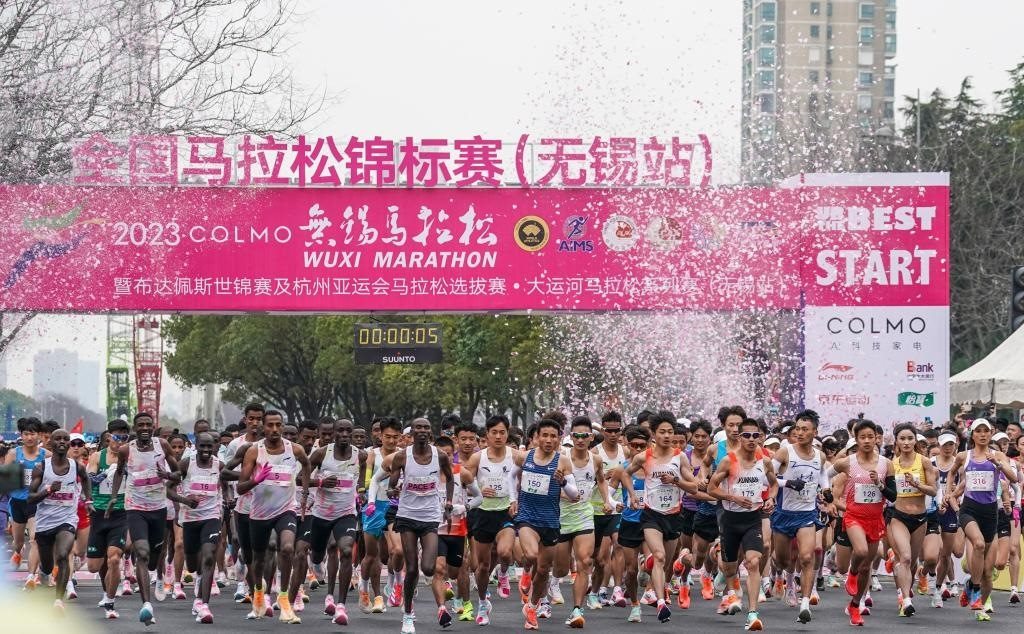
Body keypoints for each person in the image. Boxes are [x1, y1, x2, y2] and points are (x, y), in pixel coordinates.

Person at [623, 411, 699, 624]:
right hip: (651, 515)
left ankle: (647, 566)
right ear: (654, 434)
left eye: (670, 432)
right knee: (659, 556)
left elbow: (693, 487)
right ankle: (660, 603)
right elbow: (625, 474)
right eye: (662, 432)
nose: (667, 435)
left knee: (664, 563)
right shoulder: (644, 457)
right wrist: (632, 495)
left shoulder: (679, 457)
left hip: (673, 516)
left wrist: (675, 481)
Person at [237, 409, 311, 624]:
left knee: (287, 548)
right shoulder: (254, 451)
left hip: (286, 509)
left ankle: (284, 599)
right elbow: (240, 488)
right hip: (260, 513)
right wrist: (256, 480)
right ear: (263, 427)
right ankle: (259, 594)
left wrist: (304, 495)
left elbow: (307, 465)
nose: (275, 429)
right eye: (270, 425)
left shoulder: (294, 449)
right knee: (259, 559)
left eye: (279, 425)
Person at [107, 412, 181, 626]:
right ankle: (147, 605)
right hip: (135, 508)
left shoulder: (162, 445)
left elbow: (178, 474)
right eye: (141, 425)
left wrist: (167, 476)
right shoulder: (126, 450)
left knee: (155, 556)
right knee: (142, 553)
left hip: (158, 508)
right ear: (135, 428)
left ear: (153, 426)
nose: (145, 428)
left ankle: (156, 575)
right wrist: (114, 497)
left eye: (149, 424)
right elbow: (119, 472)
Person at [386, 417, 455, 634]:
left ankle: (419, 603)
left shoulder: (440, 456)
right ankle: (407, 615)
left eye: (426, 427)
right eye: (418, 427)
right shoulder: (402, 456)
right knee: (412, 568)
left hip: (430, 516)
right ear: (412, 432)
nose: (422, 430)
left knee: (428, 568)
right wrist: (392, 490)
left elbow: (450, 478)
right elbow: (391, 485)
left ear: (430, 431)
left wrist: (449, 502)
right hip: (407, 516)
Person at [708, 418, 778, 631]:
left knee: (753, 562)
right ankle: (729, 587)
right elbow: (712, 488)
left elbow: (774, 484)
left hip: (752, 520)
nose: (751, 439)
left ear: (760, 437)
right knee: (730, 568)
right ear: (739, 437)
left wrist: (771, 498)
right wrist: (733, 497)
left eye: (755, 435)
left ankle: (753, 613)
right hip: (730, 520)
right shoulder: (728, 461)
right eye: (746, 435)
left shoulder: (764, 461)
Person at [826, 420, 896, 626]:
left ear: (876, 439)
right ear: (856, 439)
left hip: (875, 519)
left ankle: (855, 605)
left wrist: (880, 484)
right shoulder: (847, 462)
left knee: (867, 568)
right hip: (853, 517)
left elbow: (893, 496)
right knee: (861, 552)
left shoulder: (886, 464)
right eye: (862, 437)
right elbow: (825, 475)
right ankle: (852, 573)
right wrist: (827, 495)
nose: (866, 441)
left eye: (870, 437)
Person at [512, 418, 580, 631]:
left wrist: (563, 482)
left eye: (553, 436)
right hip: (527, 517)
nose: (549, 440)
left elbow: (575, 495)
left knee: (543, 570)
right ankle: (526, 571)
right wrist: (513, 500)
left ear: (559, 439)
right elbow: (510, 477)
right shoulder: (525, 457)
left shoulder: (563, 462)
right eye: (545, 435)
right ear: (536, 437)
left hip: (550, 521)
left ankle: (532, 607)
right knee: (532, 555)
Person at [947, 418, 1018, 620]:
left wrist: (997, 464)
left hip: (990, 512)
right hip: (969, 509)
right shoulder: (964, 456)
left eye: (986, 431)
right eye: (978, 431)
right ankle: (975, 590)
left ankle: (975, 594)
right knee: (978, 544)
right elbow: (952, 473)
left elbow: (1014, 479)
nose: (982, 434)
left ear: (990, 433)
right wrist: (948, 493)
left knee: (988, 571)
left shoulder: (998, 455)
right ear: (973, 434)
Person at [304, 418, 367, 626]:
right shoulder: (321, 454)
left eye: (348, 431)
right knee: (317, 555)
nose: (345, 434)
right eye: (340, 430)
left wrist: (361, 492)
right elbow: (300, 479)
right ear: (334, 433)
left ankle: (340, 605)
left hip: (346, 513)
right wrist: (320, 482)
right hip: (321, 514)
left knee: (346, 550)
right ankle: (317, 568)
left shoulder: (361, 455)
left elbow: (360, 477)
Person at [770, 410, 830, 622]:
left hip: (807, 514)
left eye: (805, 429)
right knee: (783, 560)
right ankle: (783, 576)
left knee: (806, 557)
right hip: (784, 514)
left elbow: (822, 474)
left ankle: (805, 604)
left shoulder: (820, 456)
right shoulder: (785, 452)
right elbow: (766, 477)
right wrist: (788, 483)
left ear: (815, 432)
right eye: (798, 429)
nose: (800, 433)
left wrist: (826, 489)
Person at [459, 414, 519, 625]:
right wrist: (478, 489)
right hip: (483, 514)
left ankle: (503, 573)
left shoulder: (516, 456)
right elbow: (464, 482)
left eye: (502, 432)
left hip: (505, 512)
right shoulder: (478, 458)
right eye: (494, 432)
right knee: (482, 566)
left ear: (507, 433)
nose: (498, 436)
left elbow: (532, 471)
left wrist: (516, 499)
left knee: (504, 552)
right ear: (487, 434)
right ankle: (483, 602)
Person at [556, 416, 614, 627]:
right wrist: (563, 494)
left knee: (585, 561)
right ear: (571, 437)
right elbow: (550, 486)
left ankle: (577, 610)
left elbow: (601, 480)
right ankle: (545, 593)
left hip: (584, 516)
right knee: (560, 569)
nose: (580, 439)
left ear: (591, 437)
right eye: (576, 435)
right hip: (561, 517)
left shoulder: (596, 460)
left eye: (585, 436)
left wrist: (607, 500)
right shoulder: (562, 459)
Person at [28, 429, 92, 615]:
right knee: (48, 566)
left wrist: (88, 499)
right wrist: (48, 491)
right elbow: (30, 498)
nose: (62, 442)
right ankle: (44, 572)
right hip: (45, 522)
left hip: (67, 519)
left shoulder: (76, 466)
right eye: (58, 439)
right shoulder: (41, 467)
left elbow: (86, 479)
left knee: (63, 555)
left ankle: (58, 601)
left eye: (66, 439)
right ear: (51, 443)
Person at [166, 431, 225, 624]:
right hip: (190, 519)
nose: (206, 449)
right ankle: (199, 577)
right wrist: (184, 500)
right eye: (203, 446)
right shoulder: (186, 464)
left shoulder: (219, 465)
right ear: (195, 446)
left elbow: (228, 482)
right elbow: (168, 489)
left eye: (210, 446)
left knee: (208, 556)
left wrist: (229, 499)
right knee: (192, 564)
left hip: (211, 517)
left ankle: (203, 603)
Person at [886, 423, 938, 617]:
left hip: (920, 518)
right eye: (902, 439)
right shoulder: (892, 464)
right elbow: (888, 491)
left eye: (910, 438)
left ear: (915, 440)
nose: (906, 442)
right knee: (905, 557)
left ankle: (906, 590)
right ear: (897, 442)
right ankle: (906, 600)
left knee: (913, 561)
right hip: (899, 516)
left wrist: (917, 485)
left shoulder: (924, 462)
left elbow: (933, 491)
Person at [86, 419, 131, 619]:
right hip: (99, 514)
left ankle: (110, 603)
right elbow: (89, 478)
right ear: (109, 438)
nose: (119, 441)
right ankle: (107, 591)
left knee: (114, 558)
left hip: (121, 513)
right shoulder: (98, 456)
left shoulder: (130, 457)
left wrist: (126, 472)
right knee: (94, 566)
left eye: (124, 437)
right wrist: (102, 475)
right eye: (116, 437)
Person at [359, 416, 402, 614]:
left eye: (395, 437)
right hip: (374, 506)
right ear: (380, 436)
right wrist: (368, 499)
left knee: (396, 551)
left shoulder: (403, 455)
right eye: (387, 436)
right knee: (371, 555)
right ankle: (367, 591)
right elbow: (369, 481)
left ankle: (394, 585)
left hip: (396, 507)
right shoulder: (372, 455)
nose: (391, 441)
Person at [6, 416, 47, 588]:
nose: (29, 438)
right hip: (17, 502)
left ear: (39, 435)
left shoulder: (46, 455)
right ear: (21, 435)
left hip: (36, 503)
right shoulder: (13, 454)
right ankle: (17, 552)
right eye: (26, 434)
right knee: (18, 541)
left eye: (33, 434)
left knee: (34, 539)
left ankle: (31, 576)